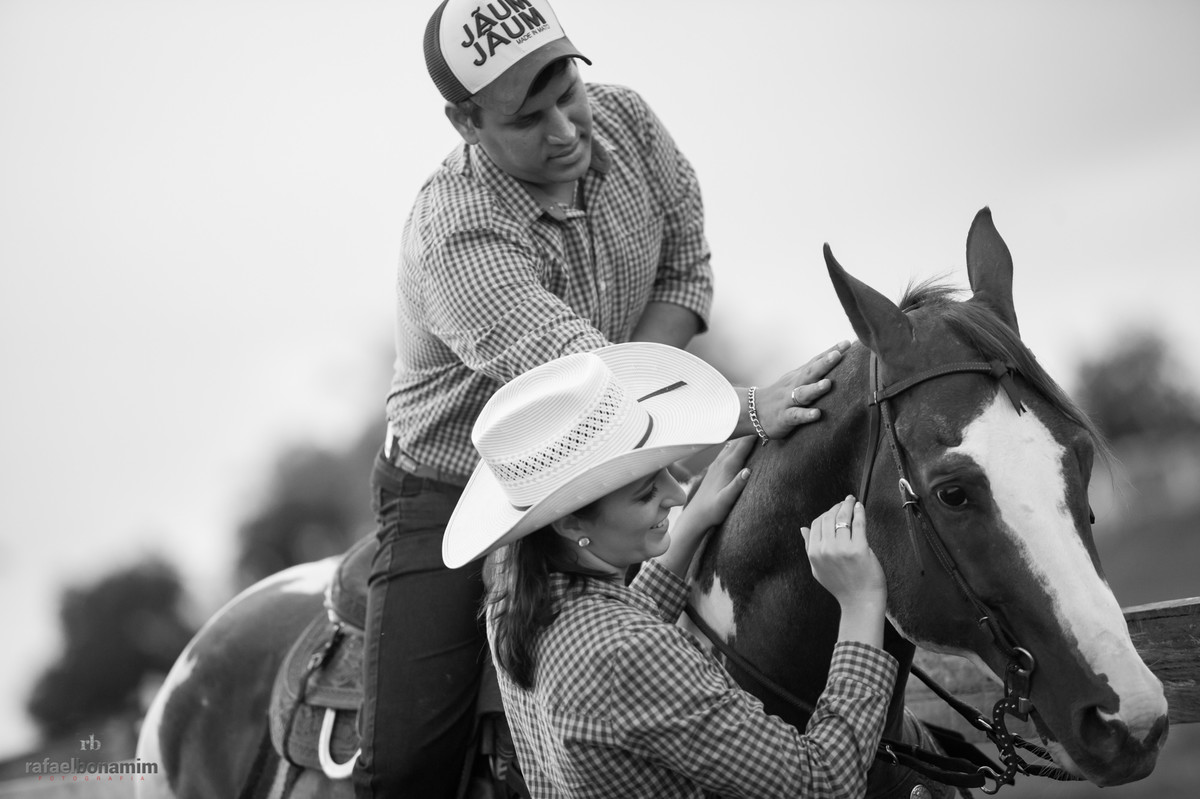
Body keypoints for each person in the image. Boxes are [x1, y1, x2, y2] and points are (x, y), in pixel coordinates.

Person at [356, 0, 851, 795]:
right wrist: (745, 409)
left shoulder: (629, 122)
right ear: (465, 123)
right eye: (528, 116)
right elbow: (589, 373)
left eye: (565, 88)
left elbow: (685, 270)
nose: (565, 128)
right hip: (458, 490)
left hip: (615, 449)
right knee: (407, 761)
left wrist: (658, 415)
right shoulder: (457, 235)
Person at [442, 343, 896, 798]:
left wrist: (693, 525)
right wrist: (861, 604)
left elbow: (614, 649)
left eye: (664, 470)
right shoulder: (625, 654)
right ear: (570, 522)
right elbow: (825, 783)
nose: (677, 495)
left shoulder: (512, 601)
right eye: (645, 493)